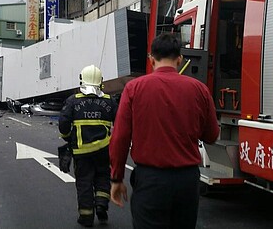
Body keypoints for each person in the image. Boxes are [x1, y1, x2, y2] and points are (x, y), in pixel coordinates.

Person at [109, 32, 219, 229]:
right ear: (179, 59)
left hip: (151, 180)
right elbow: (212, 135)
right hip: (187, 181)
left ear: (151, 59)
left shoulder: (134, 88)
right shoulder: (199, 89)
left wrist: (116, 178)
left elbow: (120, 138)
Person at [59, 65, 118, 227]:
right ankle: (101, 204)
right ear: (101, 82)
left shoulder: (73, 101)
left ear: (81, 80)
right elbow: (120, 123)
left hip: (81, 151)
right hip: (104, 149)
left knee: (84, 182)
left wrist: (67, 137)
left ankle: (86, 217)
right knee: (102, 177)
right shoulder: (109, 101)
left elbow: (63, 123)